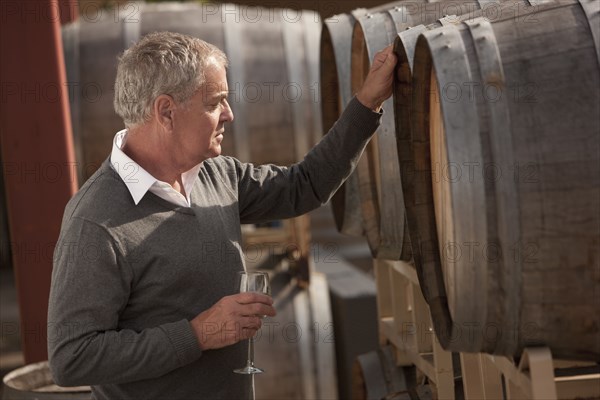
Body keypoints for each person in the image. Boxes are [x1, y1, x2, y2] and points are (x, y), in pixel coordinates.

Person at [48, 31, 396, 399]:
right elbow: (72, 357)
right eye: (216, 102)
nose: (229, 114)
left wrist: (367, 102)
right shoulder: (95, 223)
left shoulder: (217, 174)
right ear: (166, 112)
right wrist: (197, 334)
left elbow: (305, 186)